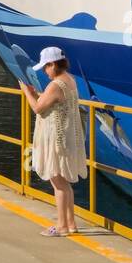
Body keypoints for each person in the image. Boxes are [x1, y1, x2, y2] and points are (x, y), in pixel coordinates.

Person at [19, 45, 87, 236]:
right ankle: (71, 224)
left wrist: (26, 92)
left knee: (58, 182)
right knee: (65, 182)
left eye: (46, 68)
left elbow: (38, 108)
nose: (45, 72)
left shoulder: (56, 85)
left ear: (52, 64)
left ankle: (62, 226)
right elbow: (52, 102)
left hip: (57, 139)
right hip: (68, 135)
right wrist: (36, 95)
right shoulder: (71, 80)